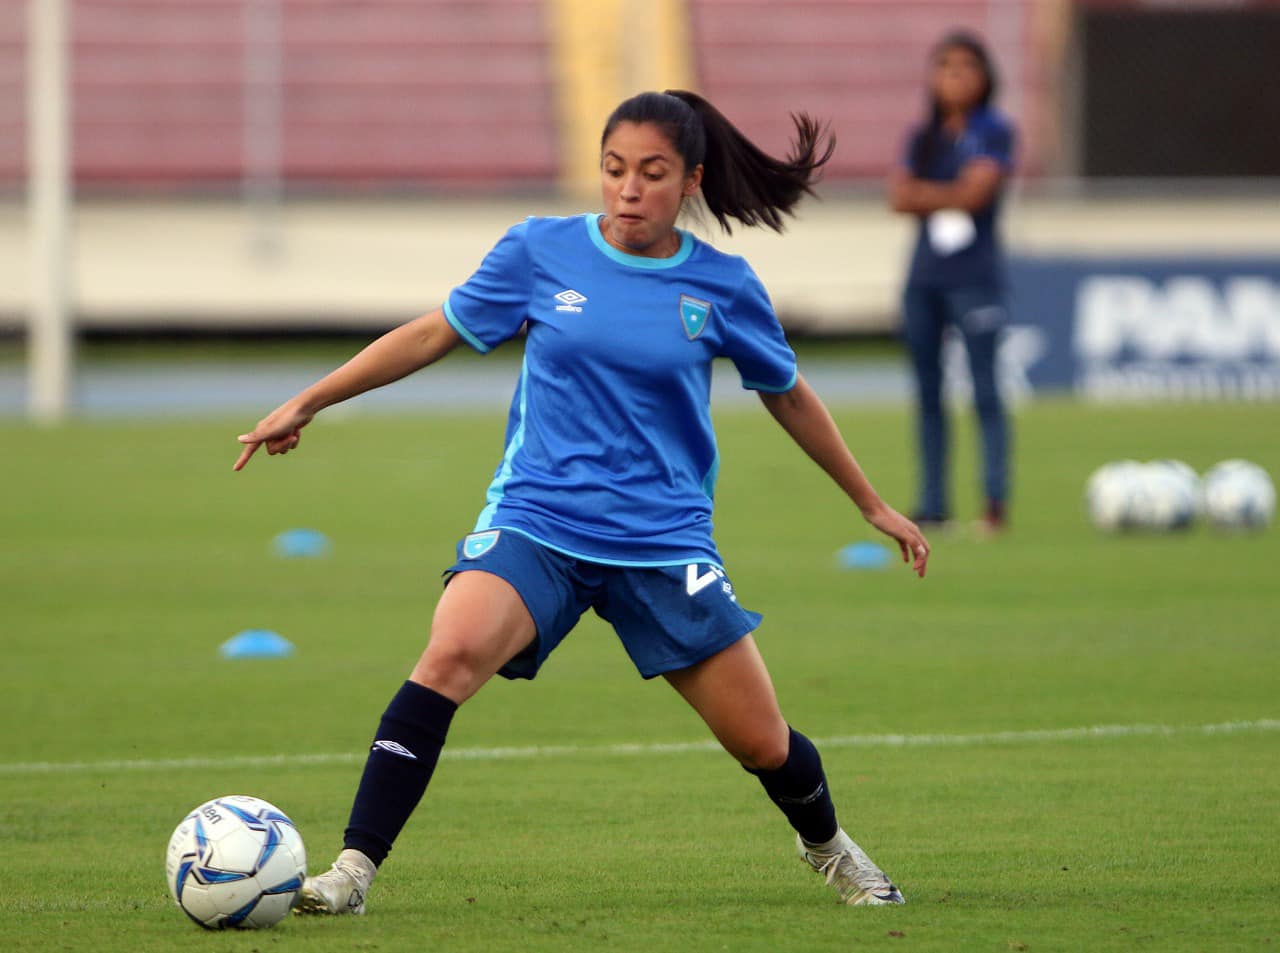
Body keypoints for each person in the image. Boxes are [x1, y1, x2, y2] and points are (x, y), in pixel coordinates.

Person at [234, 90, 930, 912]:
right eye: (613, 170)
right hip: (540, 520)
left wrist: (870, 502)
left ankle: (832, 849)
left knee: (762, 741)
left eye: (652, 173)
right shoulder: (540, 251)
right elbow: (432, 332)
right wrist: (310, 399)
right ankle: (352, 871)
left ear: (690, 182)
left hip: (662, 542)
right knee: (448, 657)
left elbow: (788, 393)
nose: (629, 189)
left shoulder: (722, 285)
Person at [888, 31, 1016, 533]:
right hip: (923, 277)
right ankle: (934, 502)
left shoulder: (995, 130)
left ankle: (994, 502)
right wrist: (951, 192)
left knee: (985, 389)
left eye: (966, 66)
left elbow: (976, 195)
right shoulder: (923, 137)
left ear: (985, 77)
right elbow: (898, 198)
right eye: (945, 66)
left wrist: (931, 193)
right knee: (927, 392)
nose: (955, 76)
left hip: (974, 277)